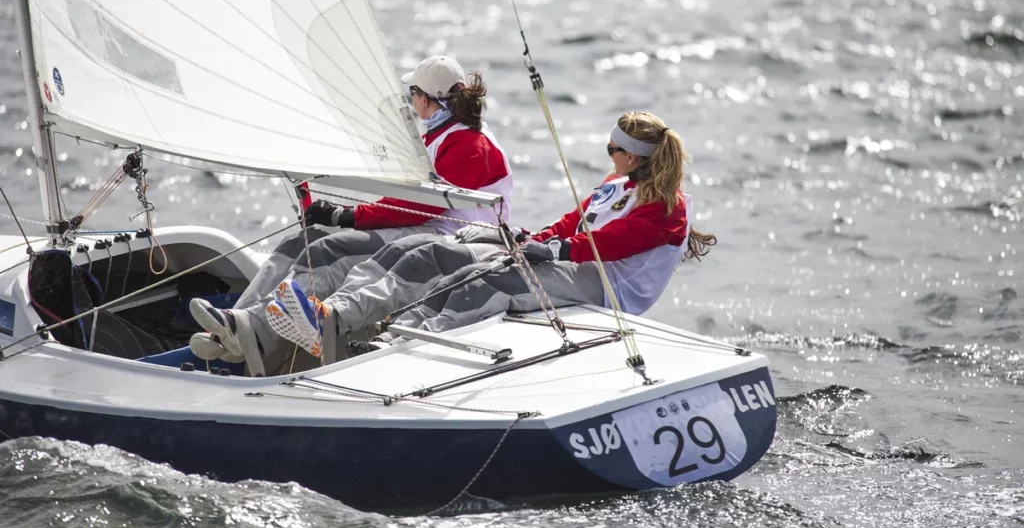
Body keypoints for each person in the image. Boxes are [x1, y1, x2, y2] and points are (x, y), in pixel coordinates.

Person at [261, 110, 717, 363]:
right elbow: (572, 222)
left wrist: (557, 248)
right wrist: (535, 238)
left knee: (490, 278)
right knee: (432, 252)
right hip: (574, 258)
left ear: (634, 156)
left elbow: (617, 241)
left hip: (604, 285)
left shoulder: (669, 206)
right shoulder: (617, 184)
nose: (608, 154)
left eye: (613, 149)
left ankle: (401, 342)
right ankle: (332, 315)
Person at [187, 56, 514, 374]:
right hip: (421, 226)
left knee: (328, 251)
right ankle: (232, 323)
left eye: (412, 94)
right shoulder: (443, 135)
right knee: (303, 240)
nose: (412, 102)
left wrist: (346, 217)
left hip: (447, 236)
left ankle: (252, 331)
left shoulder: (470, 146)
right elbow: (409, 202)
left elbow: (417, 205)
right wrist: (340, 216)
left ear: (425, 100)